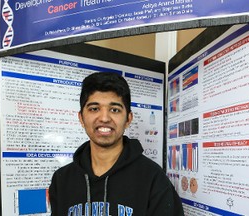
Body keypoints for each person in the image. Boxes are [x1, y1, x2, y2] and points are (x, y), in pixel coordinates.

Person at [49, 72, 185, 216]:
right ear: (81, 118)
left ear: (128, 119)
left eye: (115, 110)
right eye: (94, 108)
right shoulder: (62, 180)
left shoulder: (153, 179)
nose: (105, 118)